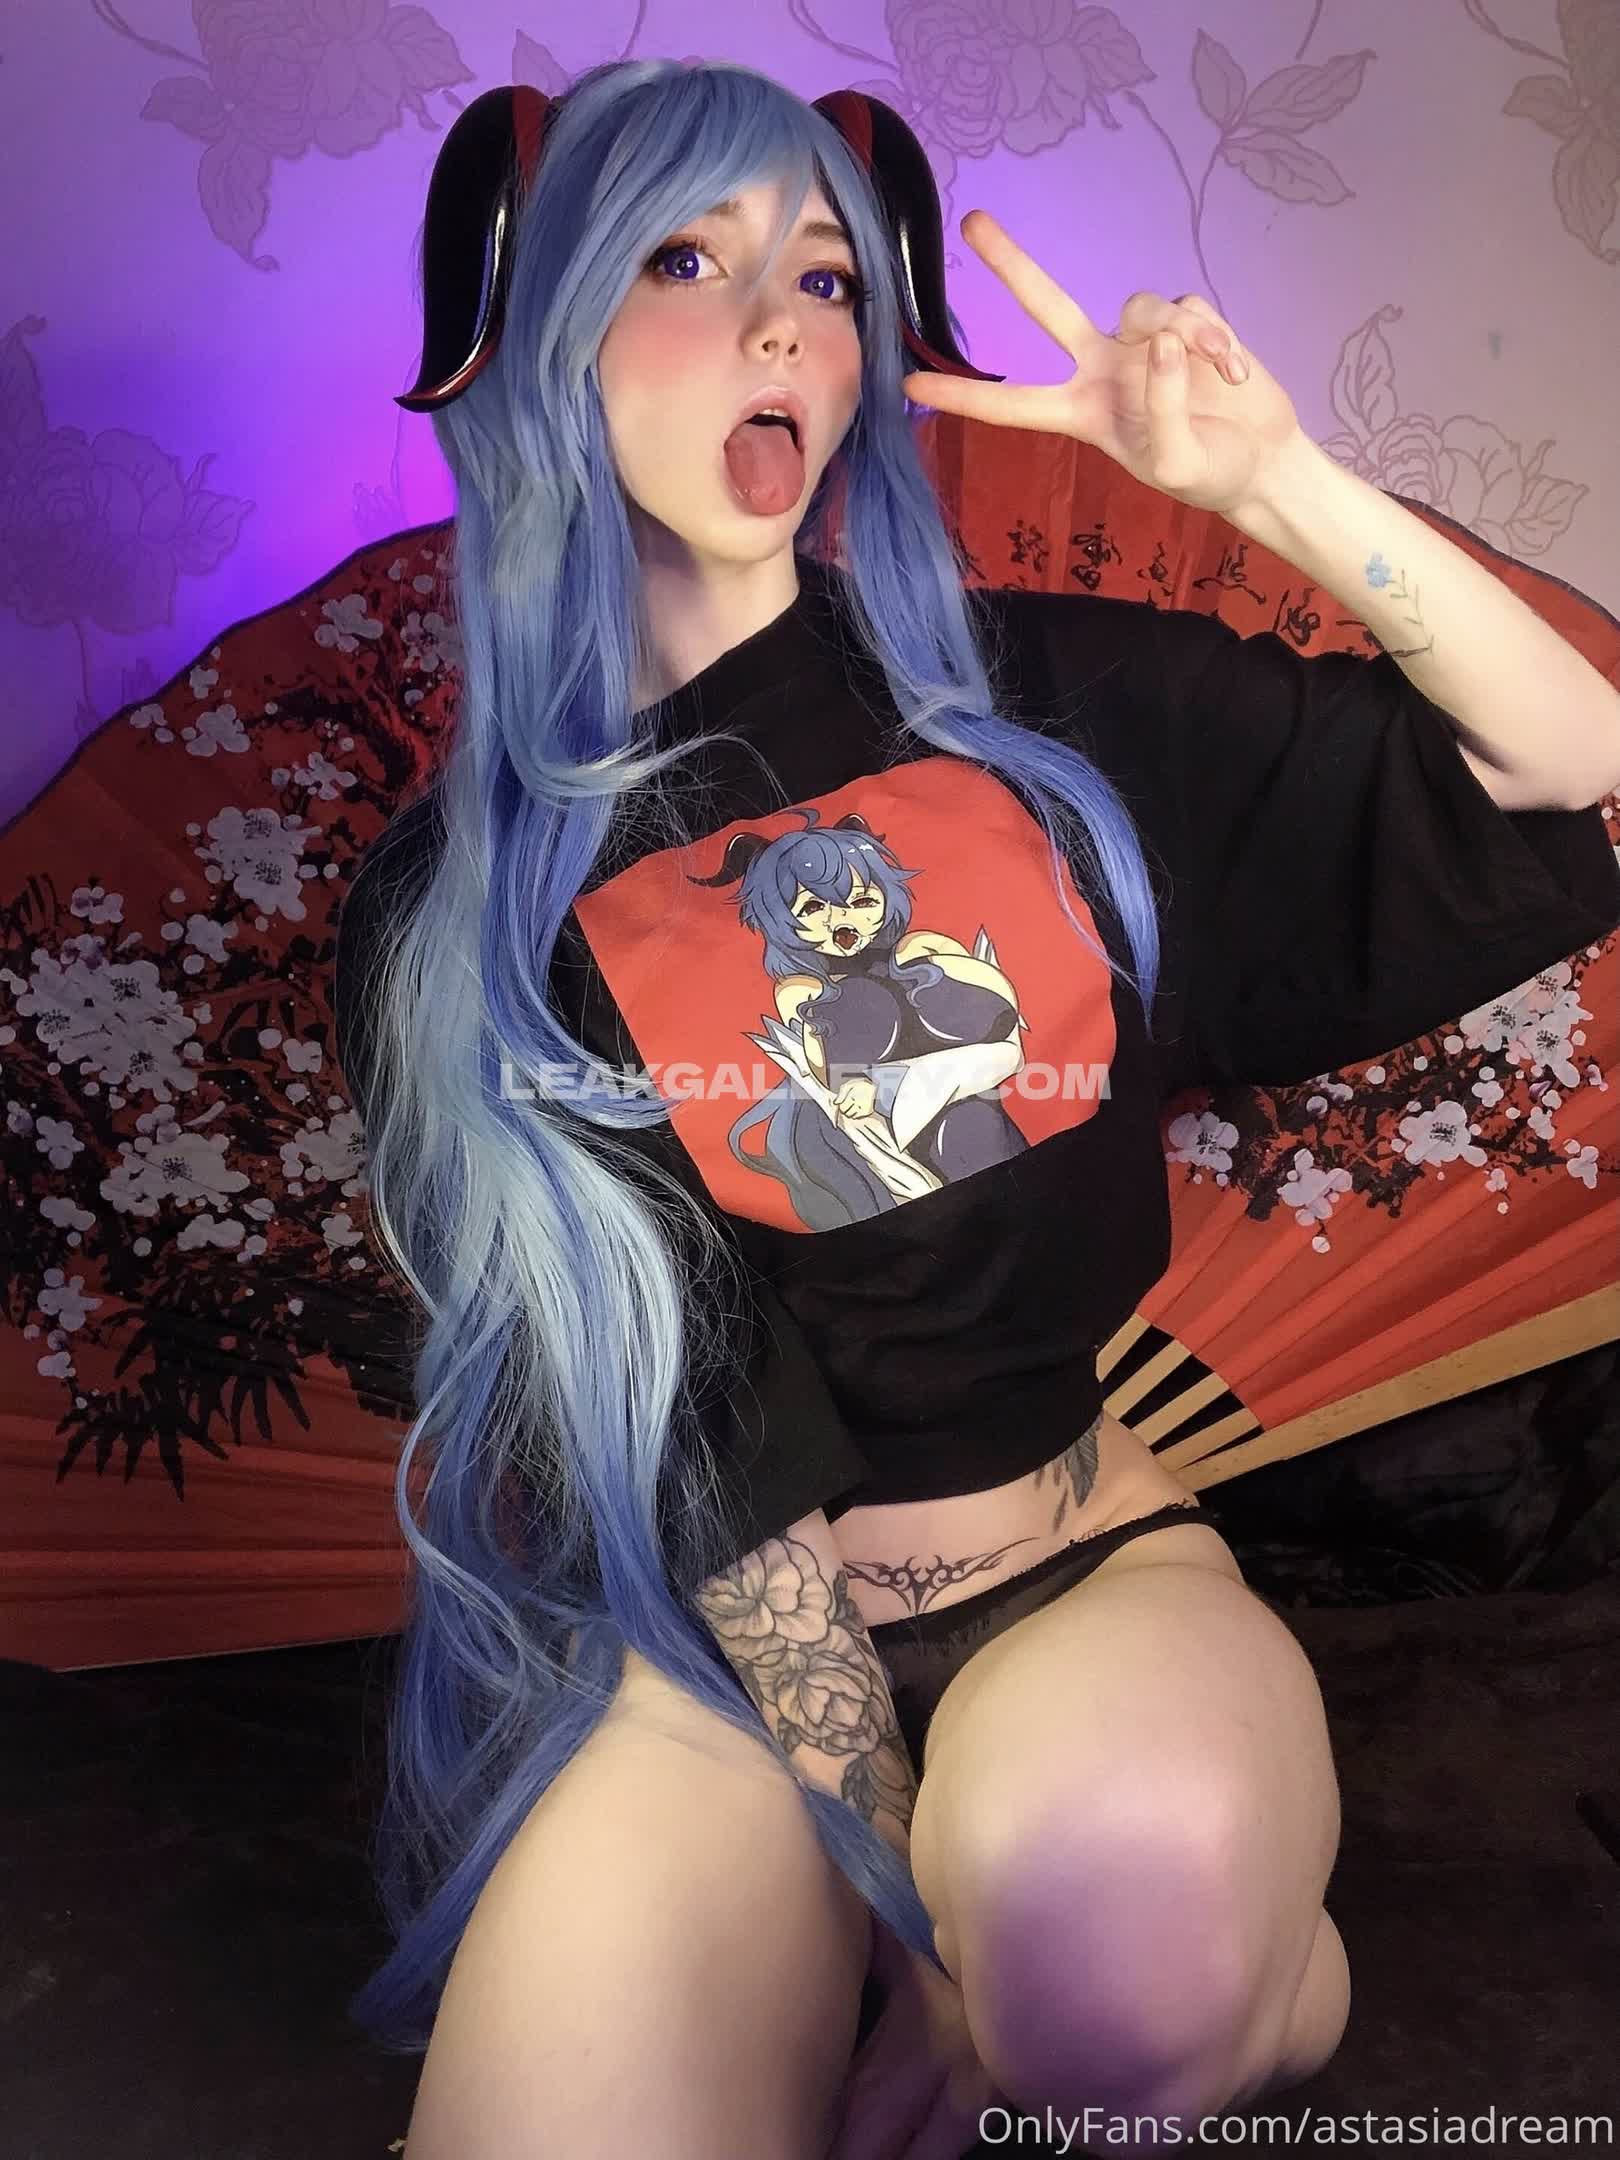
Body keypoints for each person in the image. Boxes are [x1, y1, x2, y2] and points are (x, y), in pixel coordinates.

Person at [333, 56, 1620, 2160]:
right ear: (538, 320)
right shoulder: (451, 917)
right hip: (715, 1669)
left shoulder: (1036, 715)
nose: (780, 324)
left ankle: (1253, 1987)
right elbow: (698, 1451)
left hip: (1076, 1574)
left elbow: (1557, 763)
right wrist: (891, 1899)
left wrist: (1275, 484)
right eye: (686, 261)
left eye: (828, 277)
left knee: (1105, 1991)